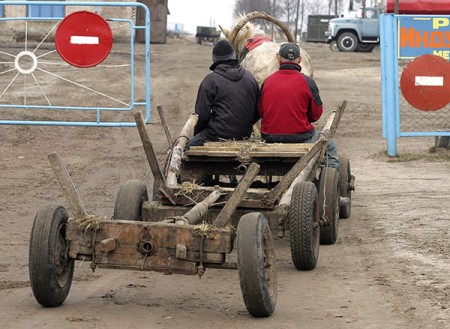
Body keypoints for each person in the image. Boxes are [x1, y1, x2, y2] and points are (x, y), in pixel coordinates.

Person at [258, 42, 339, 170]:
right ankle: (329, 184)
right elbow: (316, 114)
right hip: (300, 137)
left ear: (279, 59)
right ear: (300, 59)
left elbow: (261, 112)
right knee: (330, 146)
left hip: (269, 137)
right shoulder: (307, 82)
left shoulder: (267, 81)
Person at [186, 39, 260, 148]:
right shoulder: (250, 78)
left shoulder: (210, 81)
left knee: (186, 148)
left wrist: (199, 134)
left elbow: (202, 114)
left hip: (216, 135)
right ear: (234, 57)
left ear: (214, 60)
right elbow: (258, 110)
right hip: (244, 134)